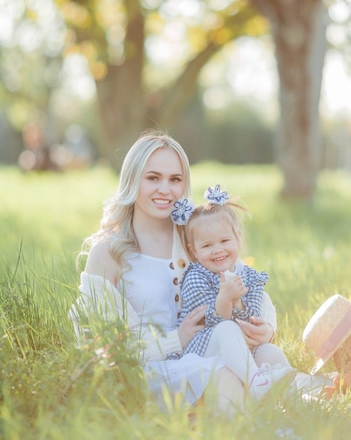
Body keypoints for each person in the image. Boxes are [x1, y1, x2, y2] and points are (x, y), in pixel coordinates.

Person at [69, 130, 280, 414]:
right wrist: (176, 339)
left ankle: (302, 420)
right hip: (152, 372)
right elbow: (101, 344)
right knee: (225, 373)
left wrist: (267, 327)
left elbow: (248, 284)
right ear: (133, 180)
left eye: (175, 179)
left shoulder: (194, 239)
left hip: (207, 352)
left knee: (269, 355)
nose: (165, 190)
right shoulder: (109, 253)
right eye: (153, 178)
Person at [169, 184, 296, 400]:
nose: (217, 249)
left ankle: (292, 403)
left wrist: (238, 304)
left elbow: (253, 316)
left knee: (271, 353)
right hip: (205, 347)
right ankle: (256, 383)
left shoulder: (249, 275)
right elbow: (212, 322)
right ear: (194, 250)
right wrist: (225, 298)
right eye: (207, 245)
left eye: (224, 241)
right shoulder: (196, 277)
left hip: (242, 347)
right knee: (227, 328)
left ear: (237, 237)